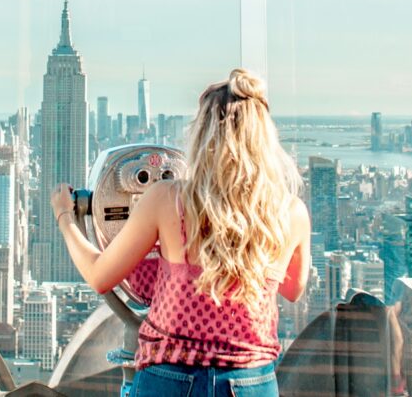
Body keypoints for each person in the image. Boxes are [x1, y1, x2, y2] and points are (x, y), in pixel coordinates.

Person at [52, 68, 311, 397]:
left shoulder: (168, 199)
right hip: (252, 380)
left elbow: (100, 276)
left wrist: (65, 216)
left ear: (203, 136)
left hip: (171, 377)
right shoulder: (291, 212)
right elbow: (292, 288)